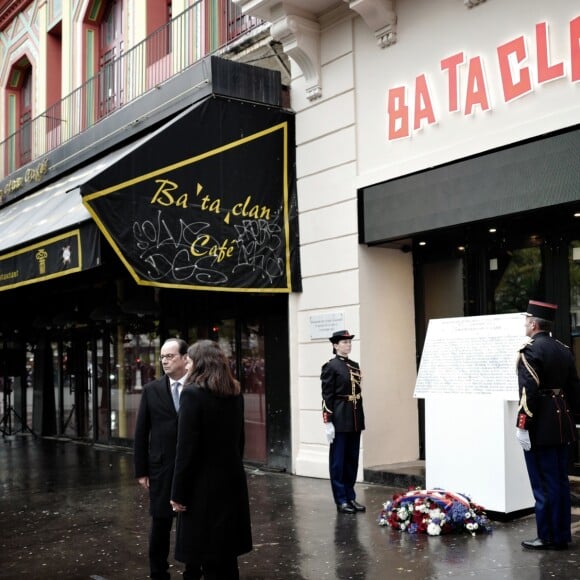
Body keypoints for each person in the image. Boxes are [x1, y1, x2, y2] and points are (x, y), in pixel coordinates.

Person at [170, 340, 252, 579]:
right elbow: (239, 441)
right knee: (227, 557)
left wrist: (178, 493)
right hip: (231, 481)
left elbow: (186, 449)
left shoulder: (192, 394)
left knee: (205, 554)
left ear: (200, 363)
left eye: (189, 361)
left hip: (202, 488)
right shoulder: (234, 391)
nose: (186, 366)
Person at [516, 300, 580, 551]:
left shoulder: (530, 351)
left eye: (526, 321)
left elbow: (527, 393)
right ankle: (562, 535)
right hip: (562, 424)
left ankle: (548, 536)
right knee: (559, 482)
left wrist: (522, 425)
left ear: (533, 324)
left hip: (540, 426)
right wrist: (575, 419)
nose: (525, 325)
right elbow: (574, 389)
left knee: (542, 484)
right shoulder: (563, 349)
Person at [134, 337, 190, 579]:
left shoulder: (197, 387)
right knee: (160, 523)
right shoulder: (151, 390)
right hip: (161, 467)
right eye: (163, 357)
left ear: (185, 358)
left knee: (189, 522)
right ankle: (158, 571)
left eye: (170, 356)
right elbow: (141, 432)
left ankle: (193, 569)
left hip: (190, 467)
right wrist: (141, 470)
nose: (165, 361)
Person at [321, 330, 366, 514]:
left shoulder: (354, 365)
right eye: (344, 342)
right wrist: (328, 421)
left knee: (351, 460)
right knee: (338, 462)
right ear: (335, 345)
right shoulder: (330, 366)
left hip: (354, 417)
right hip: (339, 417)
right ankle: (340, 500)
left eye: (349, 342)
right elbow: (326, 396)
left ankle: (350, 496)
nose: (348, 345)